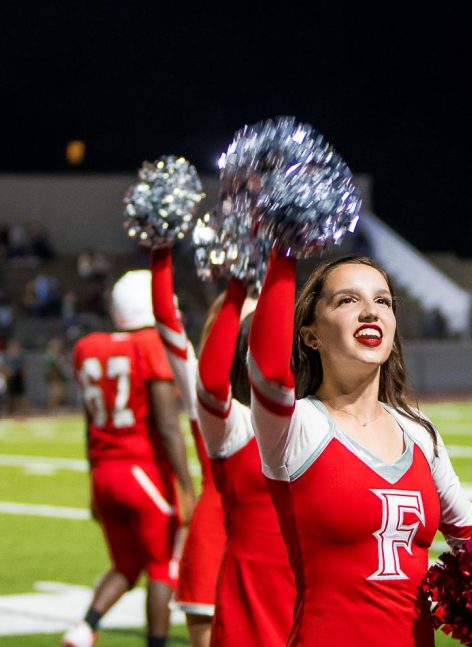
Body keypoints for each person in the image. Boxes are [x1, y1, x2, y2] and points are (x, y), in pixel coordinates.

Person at [247, 251, 472, 646]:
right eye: (347, 300)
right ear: (311, 334)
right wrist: (282, 256)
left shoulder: (419, 432)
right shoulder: (297, 427)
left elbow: (469, 531)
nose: (370, 312)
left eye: (382, 301)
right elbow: (266, 372)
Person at [63, 270, 196, 647]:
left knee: (126, 564)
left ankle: (85, 627)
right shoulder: (149, 344)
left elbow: (90, 427)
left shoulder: (88, 346)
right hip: (144, 471)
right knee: (161, 568)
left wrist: (92, 483)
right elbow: (168, 426)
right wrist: (186, 487)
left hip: (105, 472)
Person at [194, 277, 295, 646]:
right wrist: (239, 283)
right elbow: (208, 384)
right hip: (251, 600)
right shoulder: (235, 424)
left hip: (313, 596)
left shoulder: (315, 421)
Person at [150, 249, 227, 647]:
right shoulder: (205, 393)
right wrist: (160, 247)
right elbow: (167, 322)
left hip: (274, 541)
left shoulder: (289, 394)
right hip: (215, 533)